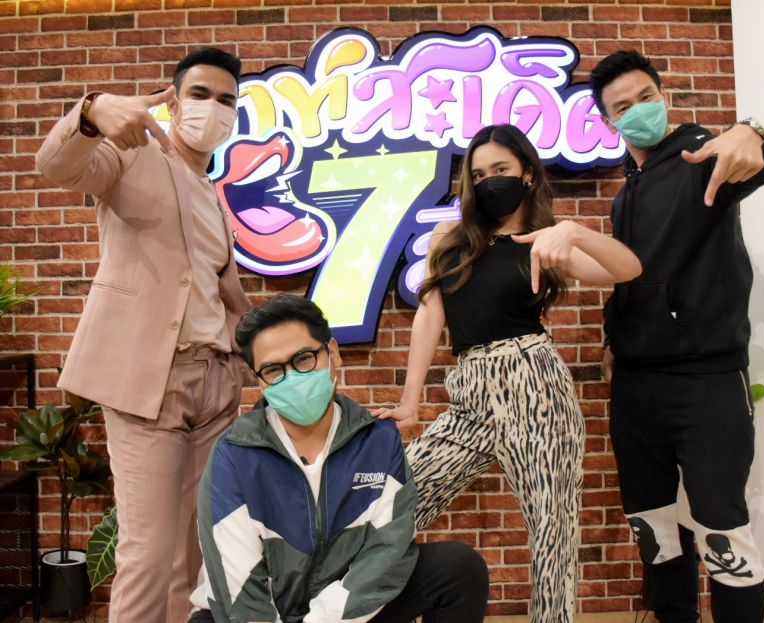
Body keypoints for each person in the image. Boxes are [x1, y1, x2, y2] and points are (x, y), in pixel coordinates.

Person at [373, 123, 643, 623]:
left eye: (500, 169)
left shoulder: (545, 243)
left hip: (535, 385)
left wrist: (574, 231)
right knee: (392, 500)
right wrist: (411, 401)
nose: (488, 181)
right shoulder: (450, 238)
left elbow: (628, 269)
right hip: (471, 390)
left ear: (527, 174)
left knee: (552, 533)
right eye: (478, 175)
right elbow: (430, 315)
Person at [35, 47, 251, 623]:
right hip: (149, 382)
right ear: (173, 102)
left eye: (226, 99)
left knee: (193, 556)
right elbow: (56, 167)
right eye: (200, 94)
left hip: (216, 384)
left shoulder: (211, 194)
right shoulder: (132, 154)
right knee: (147, 555)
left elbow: (220, 294)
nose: (213, 107)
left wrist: (258, 354)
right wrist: (91, 112)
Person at [589, 50, 764, 623]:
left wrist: (753, 133)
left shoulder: (700, 156)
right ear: (608, 121)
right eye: (622, 106)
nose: (638, 111)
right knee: (653, 529)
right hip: (637, 386)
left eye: (646, 97)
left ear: (663, 95)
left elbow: (756, 159)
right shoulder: (627, 193)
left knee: (724, 533)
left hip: (707, 380)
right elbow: (636, 273)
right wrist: (613, 334)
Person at [188, 294, 489, 623]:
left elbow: (386, 552)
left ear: (332, 352)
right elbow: (238, 588)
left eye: (304, 358)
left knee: (456, 568)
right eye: (273, 370)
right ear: (259, 380)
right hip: (253, 615)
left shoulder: (377, 441)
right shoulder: (234, 455)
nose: (293, 378)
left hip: (343, 610)